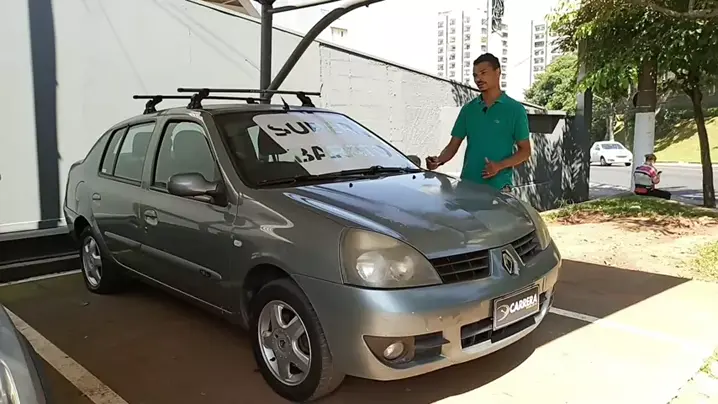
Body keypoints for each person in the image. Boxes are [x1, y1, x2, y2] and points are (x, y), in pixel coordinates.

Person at [426, 53, 531, 192]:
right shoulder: (468, 109)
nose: (478, 79)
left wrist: (499, 166)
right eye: (475, 75)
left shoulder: (515, 110)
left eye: (483, 73)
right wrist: (438, 161)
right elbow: (452, 146)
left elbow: (525, 151)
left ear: (498, 72)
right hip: (467, 186)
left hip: (499, 188)